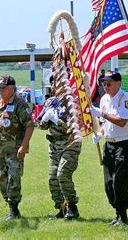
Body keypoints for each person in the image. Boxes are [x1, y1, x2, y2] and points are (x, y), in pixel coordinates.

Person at [91, 71, 128, 226]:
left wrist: (101, 113)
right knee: (108, 183)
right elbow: (106, 124)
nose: (106, 86)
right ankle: (117, 211)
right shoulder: (104, 99)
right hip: (109, 144)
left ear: (118, 83)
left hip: (124, 144)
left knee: (119, 182)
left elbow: (122, 121)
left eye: (109, 83)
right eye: (104, 84)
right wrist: (99, 133)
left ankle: (122, 215)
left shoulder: (126, 99)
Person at [0, 75, 34, 221]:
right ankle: (10, 206)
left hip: (14, 151)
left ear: (12, 88)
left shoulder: (20, 104)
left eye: (3, 88)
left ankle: (14, 209)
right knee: (2, 179)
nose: (1, 91)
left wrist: (23, 146)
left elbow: (30, 125)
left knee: (14, 179)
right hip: (0, 150)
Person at [37, 77, 82, 220]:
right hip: (55, 145)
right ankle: (62, 208)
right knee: (52, 178)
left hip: (70, 144)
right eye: (52, 84)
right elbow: (41, 125)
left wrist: (58, 121)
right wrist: (44, 120)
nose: (54, 86)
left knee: (62, 174)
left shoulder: (72, 103)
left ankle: (73, 208)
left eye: (57, 83)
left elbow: (74, 127)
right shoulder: (50, 102)